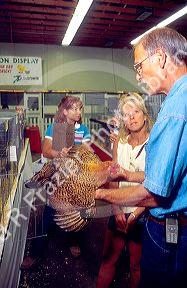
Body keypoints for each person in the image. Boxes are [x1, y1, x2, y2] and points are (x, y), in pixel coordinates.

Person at [96, 27, 187, 288]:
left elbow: (154, 193)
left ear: (159, 58)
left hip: (169, 230)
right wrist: (126, 175)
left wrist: (98, 195)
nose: (138, 76)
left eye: (139, 66)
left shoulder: (174, 111)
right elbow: (167, 176)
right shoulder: (176, 100)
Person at [97, 93, 152, 288]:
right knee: (108, 259)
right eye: (127, 115)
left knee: (136, 265)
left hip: (143, 212)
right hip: (119, 210)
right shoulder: (119, 142)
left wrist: (136, 213)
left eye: (136, 111)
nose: (132, 117)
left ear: (145, 115)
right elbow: (113, 176)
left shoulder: (154, 142)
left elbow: (155, 182)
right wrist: (116, 209)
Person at [43, 95, 91, 257]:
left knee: (74, 211)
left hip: (75, 178)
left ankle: (73, 241)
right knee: (49, 211)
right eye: (75, 109)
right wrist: (59, 153)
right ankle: (38, 249)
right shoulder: (55, 128)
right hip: (57, 178)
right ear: (65, 111)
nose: (79, 112)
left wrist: (84, 151)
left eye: (80, 109)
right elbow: (46, 151)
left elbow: (88, 152)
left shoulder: (83, 129)